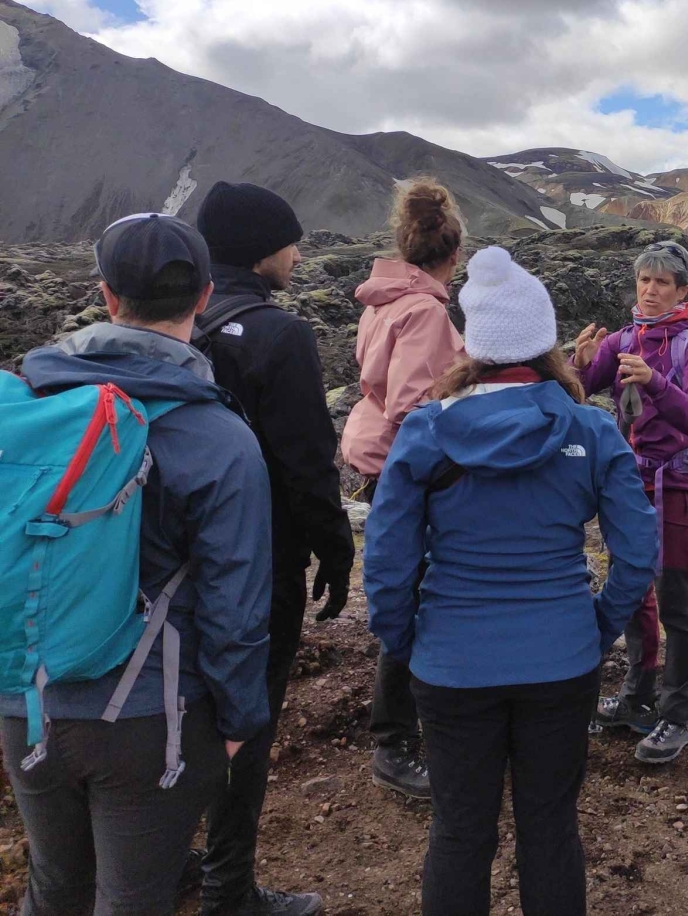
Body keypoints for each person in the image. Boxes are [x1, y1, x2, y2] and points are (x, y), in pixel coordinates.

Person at [363, 246, 657, 916]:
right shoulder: (589, 427)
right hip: (561, 660)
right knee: (551, 829)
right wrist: (597, 623)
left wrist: (406, 639)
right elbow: (638, 553)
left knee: (460, 830)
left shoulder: (426, 432)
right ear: (545, 341)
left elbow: (386, 562)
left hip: (452, 663)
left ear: (475, 341)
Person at [0, 213, 272, 915]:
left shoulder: (29, 399)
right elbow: (235, 604)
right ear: (205, 295)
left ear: (107, 294)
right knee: (135, 899)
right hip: (151, 716)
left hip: (27, 696)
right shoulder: (218, 434)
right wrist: (241, 720)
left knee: (54, 888)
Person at [185, 181, 355, 916]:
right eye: (291, 240)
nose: (298, 252)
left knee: (175, 710)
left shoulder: (173, 321)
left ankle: (160, 860)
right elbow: (306, 462)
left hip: (167, 563)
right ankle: (229, 888)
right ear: (261, 248)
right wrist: (335, 551)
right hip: (260, 569)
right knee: (244, 721)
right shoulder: (279, 334)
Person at [573, 240, 688, 763]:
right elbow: (583, 389)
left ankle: (681, 713)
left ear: (683, 289)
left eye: (663, 282)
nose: (651, 289)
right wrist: (582, 362)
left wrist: (656, 382)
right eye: (644, 279)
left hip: (680, 487)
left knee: (676, 600)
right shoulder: (624, 338)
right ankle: (638, 698)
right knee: (634, 591)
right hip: (630, 485)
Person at [340, 178, 466, 798]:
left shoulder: (382, 301)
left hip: (372, 456)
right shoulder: (426, 310)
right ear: (454, 255)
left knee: (402, 585)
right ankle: (395, 740)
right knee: (417, 592)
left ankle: (404, 728)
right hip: (402, 465)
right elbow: (417, 406)